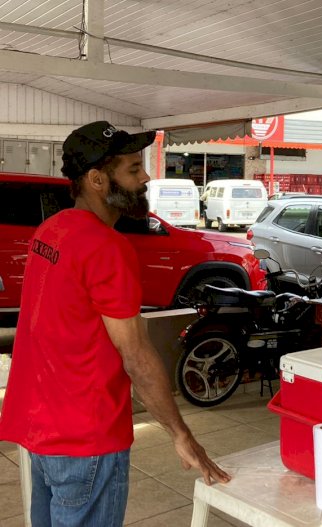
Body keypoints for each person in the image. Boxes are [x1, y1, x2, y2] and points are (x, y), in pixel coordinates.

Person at [0, 121, 230, 526]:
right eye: (133, 169)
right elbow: (137, 356)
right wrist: (181, 435)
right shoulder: (106, 247)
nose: (145, 178)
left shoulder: (50, 231)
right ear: (97, 179)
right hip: (85, 439)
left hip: (42, 430)